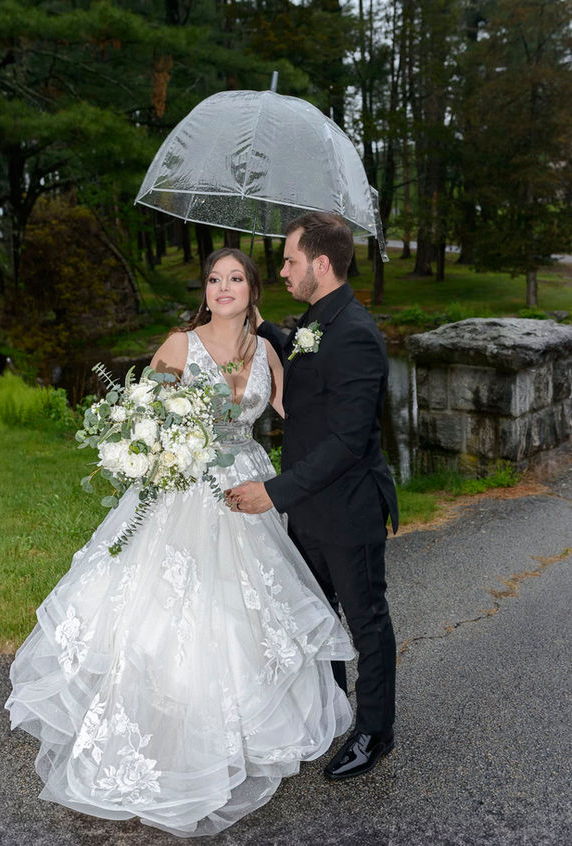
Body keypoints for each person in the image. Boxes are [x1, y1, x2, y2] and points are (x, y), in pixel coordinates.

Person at [5, 247, 354, 838]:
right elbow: (136, 412)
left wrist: (339, 392)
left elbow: (303, 414)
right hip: (185, 491)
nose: (223, 288)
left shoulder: (268, 350)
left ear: (252, 289)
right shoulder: (178, 344)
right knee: (171, 607)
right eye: (215, 279)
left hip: (248, 488)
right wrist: (150, 443)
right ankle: (165, 730)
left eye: (235, 279)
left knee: (247, 609)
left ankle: (242, 728)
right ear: (206, 289)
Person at [226, 214, 399, 781]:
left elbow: (349, 442)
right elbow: (305, 354)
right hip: (307, 511)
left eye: (290, 262)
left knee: (366, 621)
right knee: (317, 619)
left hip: (348, 511)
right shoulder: (318, 320)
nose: (282, 270)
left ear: (321, 266)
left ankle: (375, 731)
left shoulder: (356, 333)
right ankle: (331, 714)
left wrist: (273, 493)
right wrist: (269, 329)